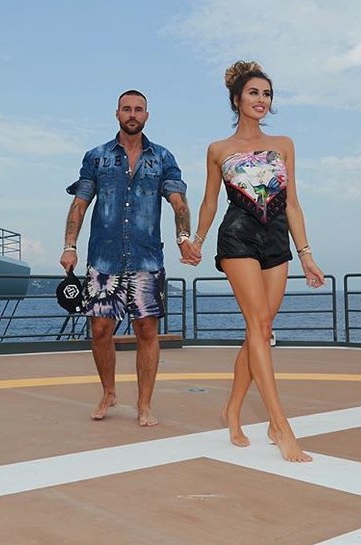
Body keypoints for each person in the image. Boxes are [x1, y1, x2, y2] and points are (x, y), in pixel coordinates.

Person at [186, 61, 326, 462]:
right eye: (253, 93)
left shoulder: (284, 144)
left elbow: (294, 202)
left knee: (261, 330)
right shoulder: (218, 150)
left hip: (276, 239)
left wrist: (307, 255)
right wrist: (196, 240)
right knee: (257, 326)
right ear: (237, 99)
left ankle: (232, 409)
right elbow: (211, 201)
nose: (261, 100)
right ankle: (280, 424)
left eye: (266, 94)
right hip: (237, 238)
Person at [60, 89, 199, 427]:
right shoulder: (96, 157)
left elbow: (178, 202)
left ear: (147, 116)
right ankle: (109, 392)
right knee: (100, 330)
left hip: (146, 259)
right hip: (104, 260)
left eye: (138, 109)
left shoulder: (163, 158)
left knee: (147, 332)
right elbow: (80, 203)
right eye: (127, 109)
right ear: (117, 114)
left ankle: (144, 404)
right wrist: (70, 245)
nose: (132, 114)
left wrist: (184, 238)